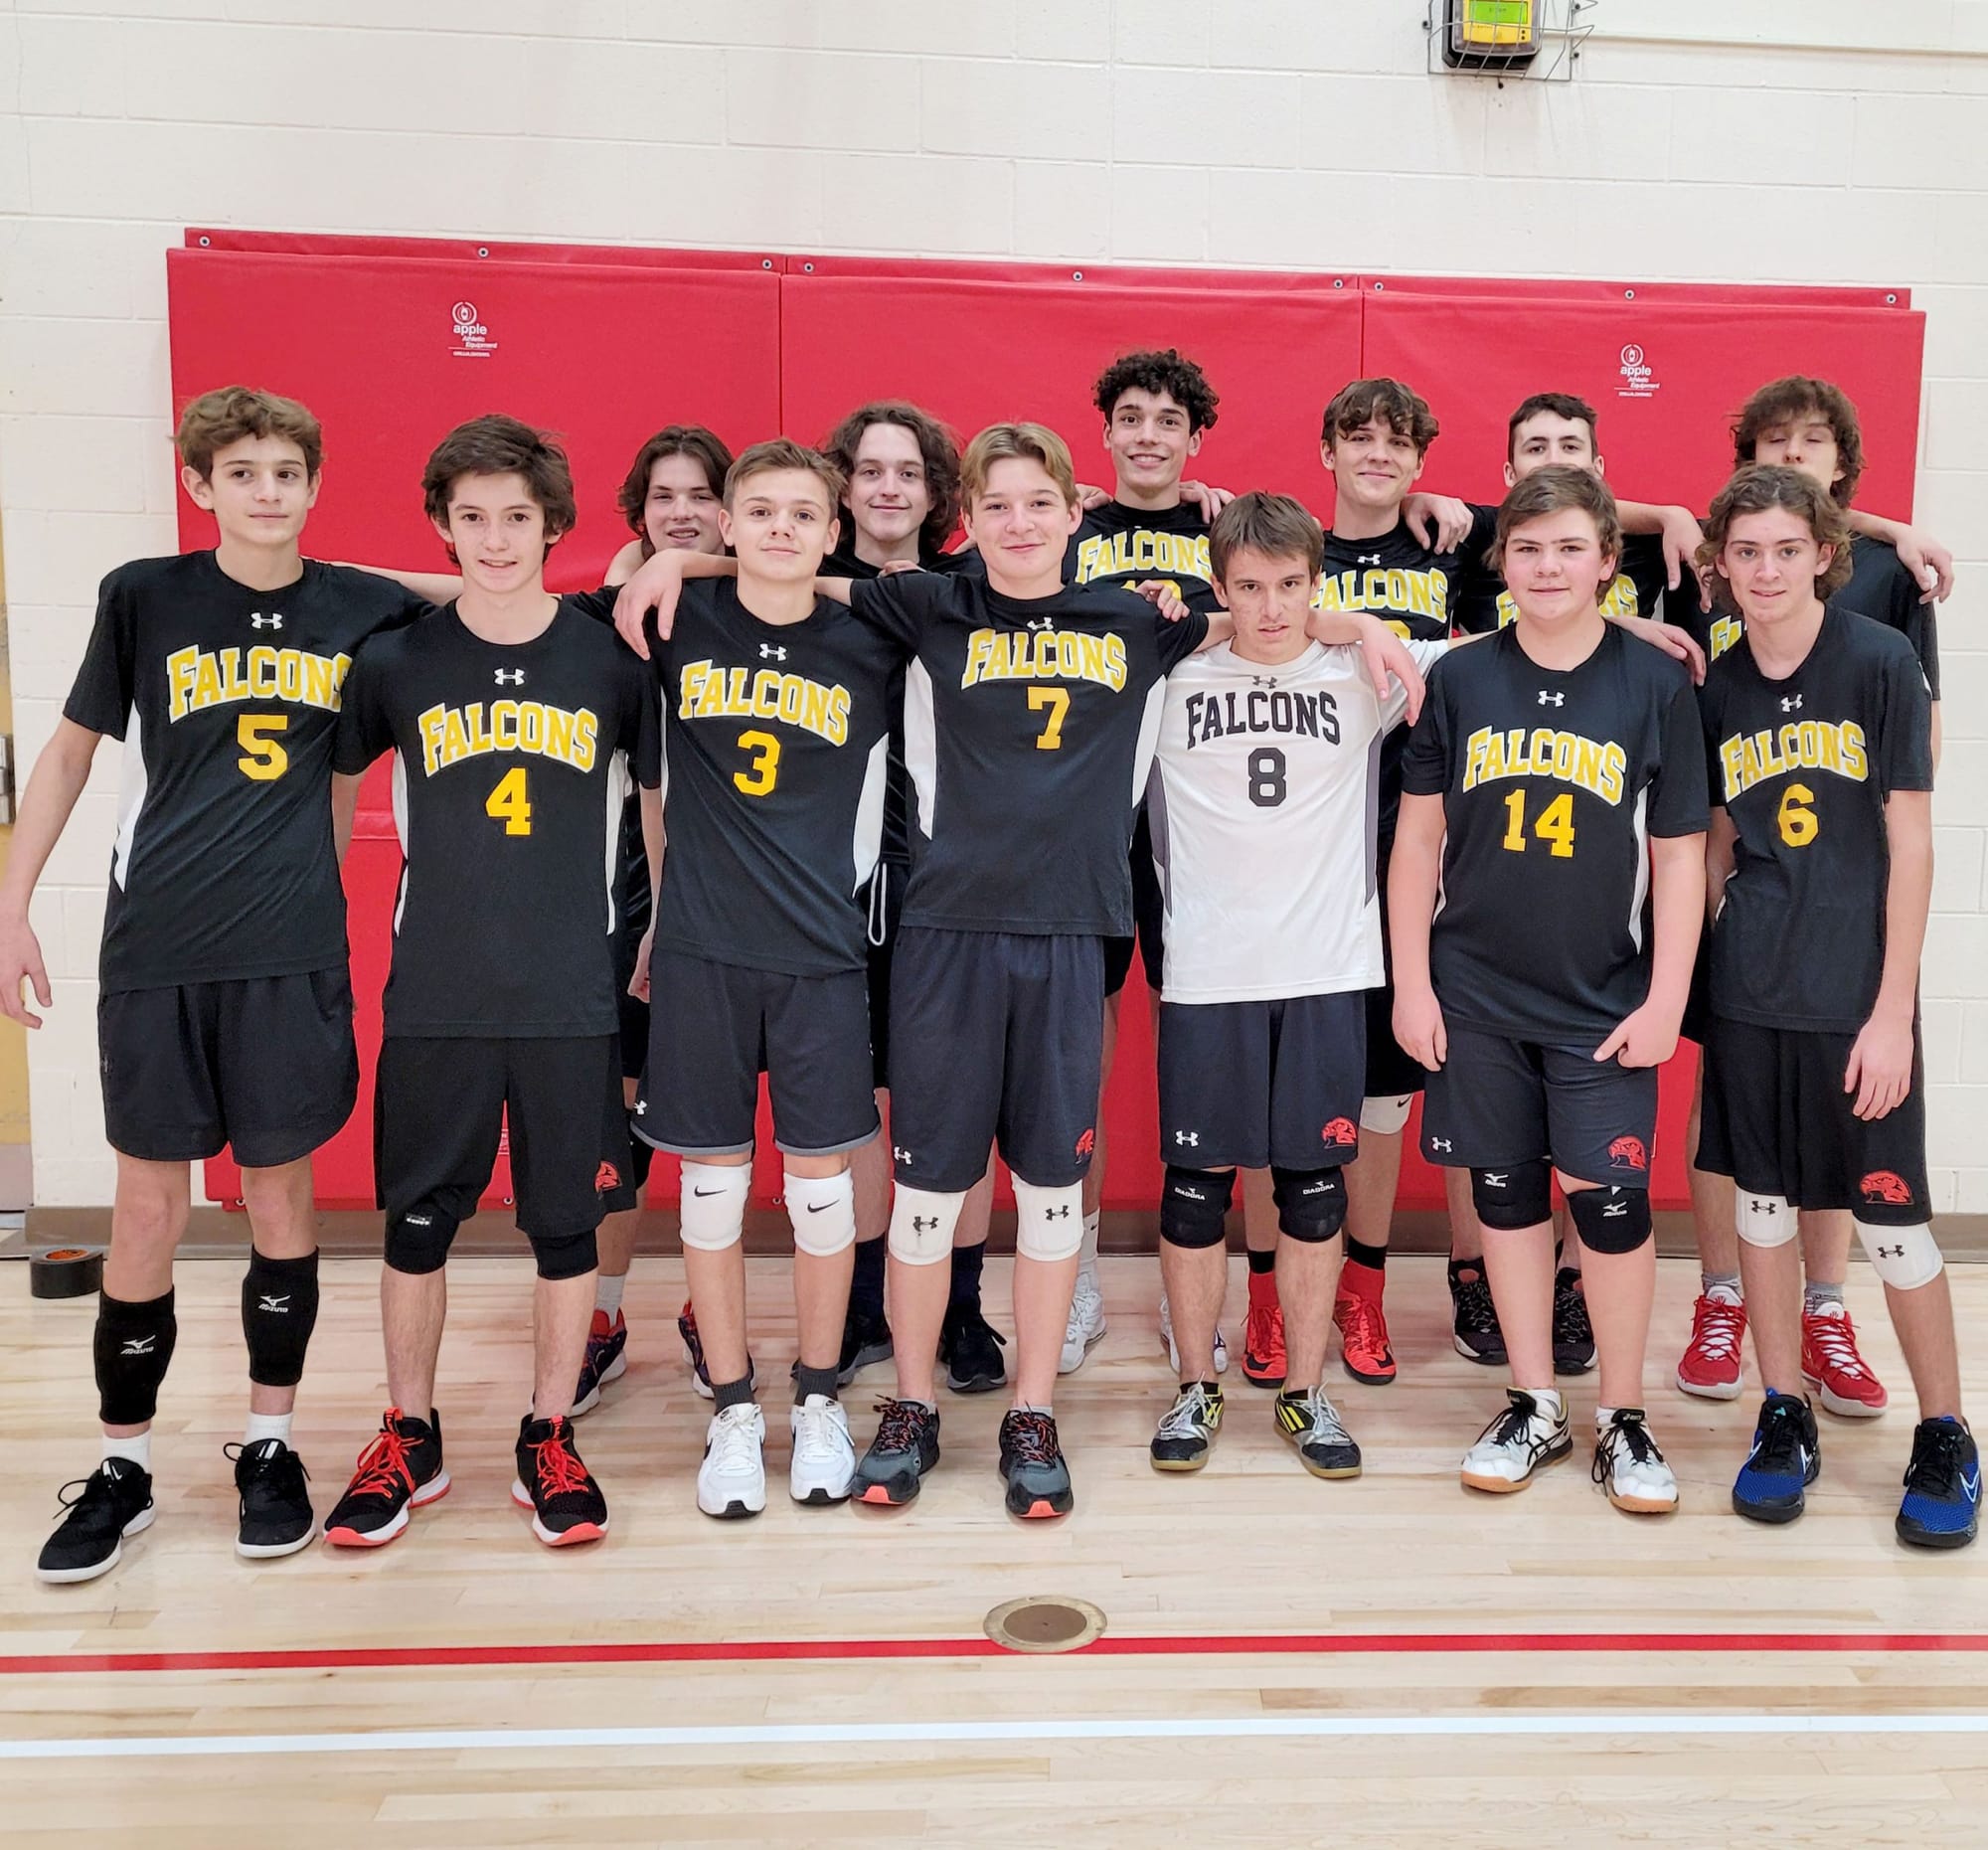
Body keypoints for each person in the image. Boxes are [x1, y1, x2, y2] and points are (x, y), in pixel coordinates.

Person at [615, 421, 1414, 1520]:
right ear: (970, 518)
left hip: (1069, 936)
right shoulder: (927, 605)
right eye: (996, 504)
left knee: (1047, 1195)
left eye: (1040, 502)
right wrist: (678, 561)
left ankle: (1032, 1411)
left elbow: (1261, 618)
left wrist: (1354, 618)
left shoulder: (1137, 619)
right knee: (926, 1197)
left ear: (1074, 513)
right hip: (945, 937)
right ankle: (909, 1405)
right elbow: (789, 574)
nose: (1019, 521)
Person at [17, 387, 426, 1584]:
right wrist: (10, 903)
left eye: (286, 472)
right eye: (240, 472)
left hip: (289, 950)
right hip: (159, 947)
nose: (265, 491)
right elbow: (68, 754)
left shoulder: (356, 601)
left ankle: (269, 1444)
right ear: (199, 484)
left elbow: (480, 591)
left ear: (314, 483)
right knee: (146, 1209)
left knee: (278, 1197)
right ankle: (123, 1466)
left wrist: (655, 570)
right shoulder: (144, 595)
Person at [320, 415, 657, 1551]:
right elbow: (336, 788)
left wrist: (660, 927)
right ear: (442, 524)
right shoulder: (395, 662)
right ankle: (407, 1434)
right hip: (439, 989)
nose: (496, 538)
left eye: (517, 516)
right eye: (472, 517)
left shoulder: (609, 661)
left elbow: (654, 806)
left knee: (567, 1228)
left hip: (569, 992)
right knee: (416, 1225)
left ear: (553, 524)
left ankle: (548, 1430)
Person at [1391, 466, 1708, 1515]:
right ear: (1502, 562)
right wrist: (1412, 985)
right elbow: (1416, 843)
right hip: (1476, 995)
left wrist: (1666, 998)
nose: (1547, 566)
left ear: (1608, 561)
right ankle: (1534, 1401)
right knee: (1507, 1200)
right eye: (1527, 548)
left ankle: (1622, 1414)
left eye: (1570, 547)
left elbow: (1677, 855)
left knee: (1610, 1211)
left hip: (1602, 1001)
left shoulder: (1653, 681)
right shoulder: (1461, 678)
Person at [1693, 463, 1975, 1549]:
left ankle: (1946, 1433)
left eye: (1785, 549)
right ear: (1721, 565)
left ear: (1822, 554)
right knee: (1761, 1211)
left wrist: (1892, 1010)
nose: (1765, 570)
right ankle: (1782, 1413)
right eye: (1745, 552)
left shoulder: (1879, 659)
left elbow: (1912, 841)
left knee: (1892, 1226)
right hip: (1751, 992)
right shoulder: (1720, 686)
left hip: (1855, 996)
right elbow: (1717, 844)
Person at [627, 437, 901, 1517]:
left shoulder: (871, 637)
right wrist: (673, 563)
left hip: (821, 951)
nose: (781, 527)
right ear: (727, 524)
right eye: (761, 511)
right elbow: (501, 600)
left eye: (803, 513)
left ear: (834, 532)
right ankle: (734, 1408)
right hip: (703, 948)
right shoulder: (676, 619)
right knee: (710, 1188)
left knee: (821, 1189)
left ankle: (820, 1395)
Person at [1145, 492, 1442, 1476]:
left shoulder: (1362, 672)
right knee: (1195, 1194)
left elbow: (1514, 646)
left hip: (1325, 970)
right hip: (1207, 972)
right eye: (1247, 587)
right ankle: (1196, 1383)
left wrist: (1639, 630)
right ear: (1217, 587)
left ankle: (1305, 1393)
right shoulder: (1170, 673)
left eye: (1289, 586)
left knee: (1314, 1192)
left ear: (1318, 583)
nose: (1270, 609)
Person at [1061, 347, 1259, 1382]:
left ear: (1195, 438)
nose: (1146, 434)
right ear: (1103, 433)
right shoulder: (1064, 527)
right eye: (1129, 417)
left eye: (1167, 420)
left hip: (1203, 818)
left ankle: (1206, 1295)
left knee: (1206, 1048)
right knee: (1080, 1057)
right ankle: (1077, 1272)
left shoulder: (1226, 531)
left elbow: (1280, 610)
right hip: (1088, 814)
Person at [817, 401, 1007, 1399]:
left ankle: (962, 1303)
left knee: (954, 1101)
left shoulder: (977, 589)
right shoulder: (800, 586)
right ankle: (862, 1303)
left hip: (952, 878)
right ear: (841, 487)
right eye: (870, 470)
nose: (888, 487)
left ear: (937, 494)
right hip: (836, 878)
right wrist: (668, 559)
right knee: (856, 1101)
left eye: (909, 472)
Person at [582, 424, 737, 1419]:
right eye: (662, 496)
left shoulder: (758, 597)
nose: (680, 511)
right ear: (638, 510)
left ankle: (705, 1311)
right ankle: (601, 1315)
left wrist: (686, 564)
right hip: (633, 888)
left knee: (721, 1127)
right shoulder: (614, 608)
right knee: (622, 1116)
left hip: (740, 892)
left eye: (698, 494)